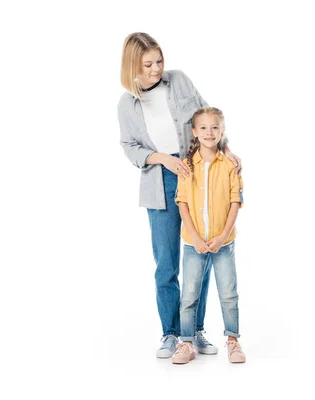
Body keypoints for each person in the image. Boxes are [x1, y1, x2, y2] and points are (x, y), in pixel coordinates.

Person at [117, 33, 242, 358]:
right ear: (133, 66)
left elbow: (207, 118)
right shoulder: (126, 104)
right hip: (159, 184)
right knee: (166, 264)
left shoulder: (180, 81)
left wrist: (227, 149)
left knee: (198, 257)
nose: (157, 69)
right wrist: (161, 158)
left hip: (195, 177)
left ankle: (195, 331)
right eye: (148, 64)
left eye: (159, 61)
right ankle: (171, 334)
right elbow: (130, 147)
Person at [172, 107, 246, 364]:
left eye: (215, 127)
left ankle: (233, 341)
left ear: (222, 131)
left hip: (223, 243)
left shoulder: (229, 166)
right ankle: (186, 343)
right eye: (203, 128)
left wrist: (223, 234)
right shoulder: (186, 166)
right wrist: (194, 236)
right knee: (189, 294)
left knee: (228, 292)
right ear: (194, 132)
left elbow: (235, 201)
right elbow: (182, 202)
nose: (209, 132)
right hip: (194, 243)